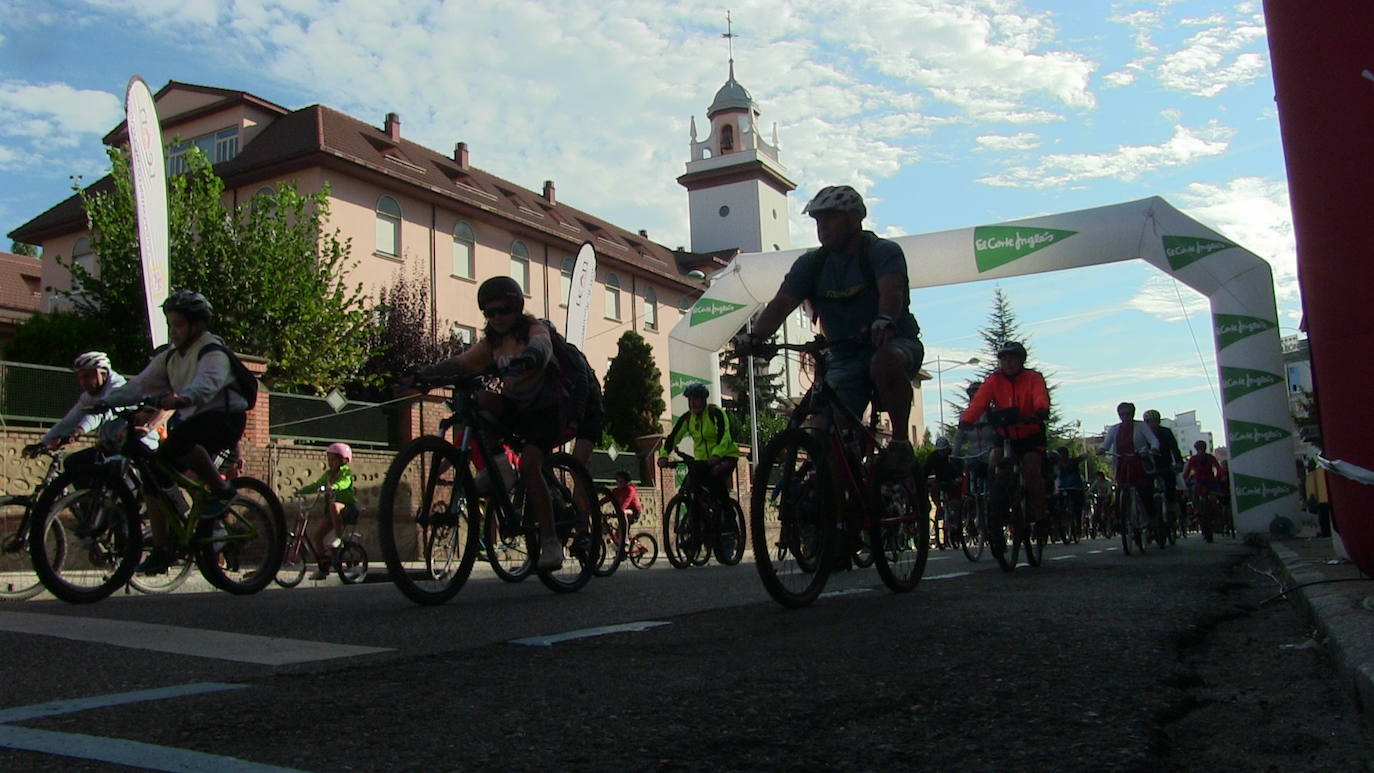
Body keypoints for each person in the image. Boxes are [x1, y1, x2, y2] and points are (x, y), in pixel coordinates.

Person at [733, 185, 924, 476]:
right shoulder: (812, 264)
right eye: (818, 221)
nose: (822, 227)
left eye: (830, 219)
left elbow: (892, 290)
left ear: (855, 219)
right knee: (824, 434)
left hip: (891, 342)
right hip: (844, 356)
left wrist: (885, 318)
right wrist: (757, 336)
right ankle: (834, 513)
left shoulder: (882, 252)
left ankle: (899, 443)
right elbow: (782, 303)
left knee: (885, 361)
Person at [416, 276, 572, 571]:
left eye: (504, 310)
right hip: (517, 408)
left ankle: (551, 543)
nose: (497, 317)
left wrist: (528, 358)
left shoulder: (532, 330)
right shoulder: (493, 342)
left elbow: (542, 346)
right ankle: (498, 467)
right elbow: (463, 363)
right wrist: (424, 374)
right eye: (490, 313)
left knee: (529, 466)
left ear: (517, 308)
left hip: (547, 409)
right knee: (477, 399)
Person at [103, 291, 250, 574]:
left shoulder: (212, 351)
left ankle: (221, 491)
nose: (174, 331)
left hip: (225, 418)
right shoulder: (171, 357)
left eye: (179, 324)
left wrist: (180, 398)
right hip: (194, 418)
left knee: (181, 442)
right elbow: (139, 385)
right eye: (171, 324)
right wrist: (103, 401)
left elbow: (207, 385)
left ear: (197, 325)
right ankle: (162, 548)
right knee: (153, 478)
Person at [958, 342, 1051, 544]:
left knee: (1032, 471)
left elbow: (1039, 397)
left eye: (1011, 358)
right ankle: (998, 506)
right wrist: (967, 419)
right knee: (994, 463)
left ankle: (1041, 517)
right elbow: (979, 402)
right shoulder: (994, 380)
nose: (1007, 362)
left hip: (1030, 431)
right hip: (1006, 433)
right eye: (1003, 359)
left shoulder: (1033, 378)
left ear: (1021, 360)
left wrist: (1040, 411)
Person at [23, 351, 158, 463]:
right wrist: (43, 443)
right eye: (80, 377)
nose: (83, 382)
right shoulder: (89, 396)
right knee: (72, 463)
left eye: (87, 376)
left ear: (103, 374)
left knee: (111, 475)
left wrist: (79, 430)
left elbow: (101, 413)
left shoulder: (118, 388)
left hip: (139, 446)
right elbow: (68, 421)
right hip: (115, 446)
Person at [658, 382, 740, 507]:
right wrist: (663, 455)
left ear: (704, 400)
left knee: (715, 478)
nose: (692, 403)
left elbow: (725, 436)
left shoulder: (715, 413)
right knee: (692, 487)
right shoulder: (687, 418)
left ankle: (729, 515)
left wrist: (717, 455)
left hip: (726, 456)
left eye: (695, 399)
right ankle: (697, 522)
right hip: (703, 462)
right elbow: (672, 438)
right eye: (690, 400)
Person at [295, 442, 358, 580]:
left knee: (334, 505)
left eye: (333, 459)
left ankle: (339, 538)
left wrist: (335, 486)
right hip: (332, 513)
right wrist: (302, 491)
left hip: (347, 508)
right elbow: (317, 485)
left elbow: (346, 482)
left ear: (343, 460)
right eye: (328, 459)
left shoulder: (345, 472)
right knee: (317, 538)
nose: (330, 462)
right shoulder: (328, 475)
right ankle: (323, 569)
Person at [1099, 402, 1160, 524]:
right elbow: (1106, 444)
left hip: (1140, 461)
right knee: (1121, 490)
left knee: (1144, 490)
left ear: (1133, 414)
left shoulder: (1141, 426)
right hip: (1122, 463)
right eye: (1122, 414)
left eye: (1128, 414)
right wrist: (1101, 449)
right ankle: (1122, 518)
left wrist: (1154, 448)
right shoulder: (1114, 429)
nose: (1125, 417)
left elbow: (1153, 440)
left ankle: (1151, 518)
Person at [1142, 409, 1184, 527]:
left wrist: (1179, 462)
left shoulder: (1166, 432)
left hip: (1165, 464)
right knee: (1145, 489)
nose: (1152, 424)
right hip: (1148, 467)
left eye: (1154, 421)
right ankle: (1149, 518)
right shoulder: (1142, 435)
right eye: (1149, 422)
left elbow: (1174, 448)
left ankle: (1171, 510)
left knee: (1170, 485)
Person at [923, 436, 962, 548]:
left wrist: (958, 477)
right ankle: (938, 514)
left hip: (952, 481)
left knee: (955, 504)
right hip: (940, 482)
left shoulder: (952, 455)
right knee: (937, 503)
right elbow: (925, 470)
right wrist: (923, 481)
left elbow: (959, 467)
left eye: (944, 450)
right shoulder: (933, 457)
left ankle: (956, 525)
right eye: (940, 451)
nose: (942, 453)